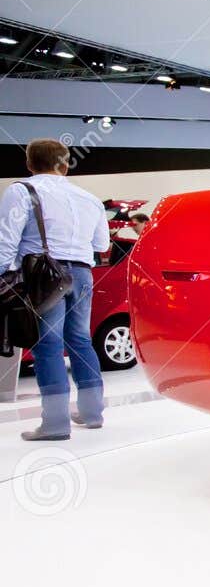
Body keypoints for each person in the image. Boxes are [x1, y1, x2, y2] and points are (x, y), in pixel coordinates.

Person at [0, 139, 110, 440]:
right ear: (64, 164)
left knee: (48, 346)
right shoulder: (89, 198)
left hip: (44, 276)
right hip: (83, 273)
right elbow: (102, 245)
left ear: (29, 163)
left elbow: (6, 240)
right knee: (80, 341)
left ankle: (55, 423)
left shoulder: (22, 190)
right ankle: (91, 413)